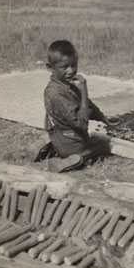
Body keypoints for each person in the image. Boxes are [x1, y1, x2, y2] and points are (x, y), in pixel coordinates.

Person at [43, 40, 116, 172]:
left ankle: (55, 148)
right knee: (105, 144)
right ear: (50, 67)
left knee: (94, 140)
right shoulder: (56, 94)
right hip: (71, 143)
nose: (71, 71)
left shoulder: (64, 84)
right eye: (64, 67)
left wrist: (102, 118)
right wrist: (83, 90)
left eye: (74, 65)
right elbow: (81, 124)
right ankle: (75, 159)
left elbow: (86, 103)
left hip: (61, 137)